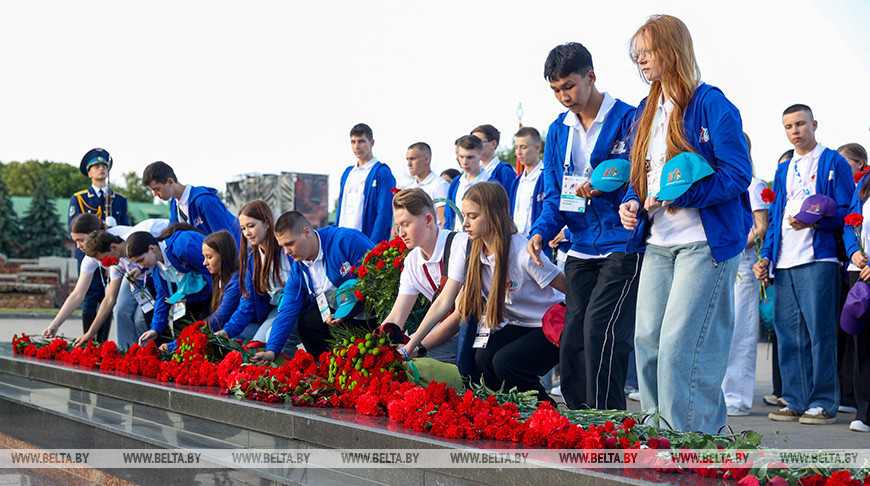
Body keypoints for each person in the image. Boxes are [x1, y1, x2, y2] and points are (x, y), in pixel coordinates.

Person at [619, 15, 752, 433]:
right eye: (637, 54)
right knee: (647, 342)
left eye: (648, 51)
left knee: (681, 345)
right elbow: (640, 176)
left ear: (672, 50)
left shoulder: (711, 103)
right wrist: (630, 202)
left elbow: (738, 173)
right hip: (657, 241)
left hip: (704, 241)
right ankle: (657, 435)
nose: (641, 60)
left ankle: (685, 443)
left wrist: (682, 195)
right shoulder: (645, 110)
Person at [528, 42, 640, 411]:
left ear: (591, 77)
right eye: (556, 90)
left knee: (600, 330)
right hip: (579, 246)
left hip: (621, 244)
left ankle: (609, 420)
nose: (564, 97)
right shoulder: (558, 130)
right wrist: (541, 232)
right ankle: (580, 422)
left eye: (570, 86)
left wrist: (615, 194)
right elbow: (554, 196)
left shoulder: (629, 118)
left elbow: (639, 178)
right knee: (573, 336)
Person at [754, 103, 854, 425]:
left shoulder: (833, 161)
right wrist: (766, 256)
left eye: (800, 124)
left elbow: (847, 212)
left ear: (814, 124)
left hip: (818, 258)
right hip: (785, 262)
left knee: (820, 333)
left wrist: (816, 222)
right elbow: (774, 220)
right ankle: (795, 400)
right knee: (788, 334)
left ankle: (823, 402)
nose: (795, 131)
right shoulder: (783, 169)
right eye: (788, 126)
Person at [421, 182, 565, 401]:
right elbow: (455, 309)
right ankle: (505, 409)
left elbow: (569, 289)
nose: (465, 223)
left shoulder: (522, 253)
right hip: (519, 324)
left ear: (493, 216)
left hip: (550, 324)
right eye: (464, 215)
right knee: (482, 357)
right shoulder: (476, 251)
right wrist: (416, 346)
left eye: (473, 216)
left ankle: (545, 410)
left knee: (506, 361)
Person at [246, 211, 374, 363]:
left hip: (371, 312)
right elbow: (287, 309)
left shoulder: (346, 240)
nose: (286, 251)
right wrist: (271, 350)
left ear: (307, 232)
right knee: (308, 323)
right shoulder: (298, 267)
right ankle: (326, 367)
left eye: (290, 244)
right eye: (283, 246)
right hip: (338, 316)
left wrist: (349, 310)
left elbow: (377, 278)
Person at [381, 188, 468, 362]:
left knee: (415, 359)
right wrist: (375, 344)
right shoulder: (412, 260)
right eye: (398, 226)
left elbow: (459, 316)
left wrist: (416, 348)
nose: (401, 233)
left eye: (406, 224)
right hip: (447, 330)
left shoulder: (460, 245)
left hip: (475, 329)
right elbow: (397, 316)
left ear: (428, 220)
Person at [721, 133, 770, 416]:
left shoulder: (754, 184)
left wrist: (735, 246)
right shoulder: (722, 181)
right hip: (721, 262)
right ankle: (720, 393)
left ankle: (737, 397)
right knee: (721, 331)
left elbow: (760, 227)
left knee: (741, 331)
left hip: (743, 263)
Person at [42, 214, 145, 345]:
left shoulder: (118, 241)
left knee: (140, 319)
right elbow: (78, 294)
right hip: (131, 276)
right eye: (75, 241)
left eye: (80, 240)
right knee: (120, 310)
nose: (78, 246)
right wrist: (55, 324)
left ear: (94, 234)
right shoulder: (90, 257)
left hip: (151, 273)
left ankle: (148, 350)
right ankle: (127, 350)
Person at [68, 148, 130, 345]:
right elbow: (74, 227)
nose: (101, 169)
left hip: (111, 253)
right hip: (89, 254)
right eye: (96, 166)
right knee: (90, 295)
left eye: (104, 166)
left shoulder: (119, 199)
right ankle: (88, 341)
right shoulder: (79, 198)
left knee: (108, 295)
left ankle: (102, 342)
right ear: (89, 173)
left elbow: (126, 226)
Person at [127, 223, 214, 346]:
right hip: (192, 298)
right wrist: (155, 329)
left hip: (214, 293)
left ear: (152, 248)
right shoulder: (156, 268)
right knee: (183, 335)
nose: (141, 266)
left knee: (206, 337)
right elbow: (162, 297)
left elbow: (212, 273)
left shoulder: (182, 245)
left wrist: (191, 298)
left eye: (141, 260)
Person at [217, 201, 290, 345]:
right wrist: (227, 331)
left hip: (299, 308)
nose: (247, 233)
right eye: (243, 228)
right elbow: (247, 303)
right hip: (277, 311)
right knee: (254, 346)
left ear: (267, 223)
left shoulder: (286, 249)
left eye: (251, 226)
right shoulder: (252, 262)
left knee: (271, 338)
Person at [159, 230, 242, 352]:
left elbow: (218, 319)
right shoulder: (219, 277)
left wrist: (174, 345)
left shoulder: (235, 282)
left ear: (224, 255)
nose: (204, 263)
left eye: (209, 257)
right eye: (204, 257)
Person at [762, 149, 794, 409]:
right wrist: (765, 258)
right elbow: (772, 228)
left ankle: (794, 393)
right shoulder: (777, 198)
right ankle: (781, 390)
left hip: (804, 263)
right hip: (778, 267)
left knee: (799, 334)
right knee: (780, 330)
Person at [141, 161, 241, 244]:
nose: (155, 194)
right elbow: (173, 236)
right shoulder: (174, 204)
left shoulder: (204, 200)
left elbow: (226, 239)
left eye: (157, 189)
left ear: (170, 182)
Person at [842, 165, 870, 432]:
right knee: (861, 344)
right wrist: (853, 250)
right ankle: (865, 413)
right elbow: (850, 222)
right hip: (859, 271)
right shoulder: (865, 180)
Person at [335, 123, 396, 243]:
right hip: (342, 240)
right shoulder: (348, 173)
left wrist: (373, 246)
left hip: (365, 242)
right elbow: (340, 208)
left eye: (361, 141)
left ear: (371, 142)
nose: (357, 146)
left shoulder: (382, 172)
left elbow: (384, 212)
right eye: (353, 142)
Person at [444, 135, 489, 230]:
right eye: (461, 157)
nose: (465, 162)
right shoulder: (456, 182)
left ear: (482, 155)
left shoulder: (490, 183)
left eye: (470, 157)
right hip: (457, 236)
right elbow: (449, 217)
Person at [509, 127, 544, 239]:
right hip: (517, 240)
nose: (518, 152)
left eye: (523, 147)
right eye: (516, 147)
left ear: (537, 148)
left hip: (538, 240)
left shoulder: (546, 178)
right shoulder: (517, 182)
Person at [407, 142, 449, 228]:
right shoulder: (410, 189)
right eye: (407, 159)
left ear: (427, 159)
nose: (409, 164)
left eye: (412, 159)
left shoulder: (440, 185)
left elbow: (444, 221)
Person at [471, 125, 516, 191]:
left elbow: (508, 196)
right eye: (472, 142)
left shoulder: (504, 171)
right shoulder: (471, 171)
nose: (474, 146)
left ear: (493, 144)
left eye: (478, 142)